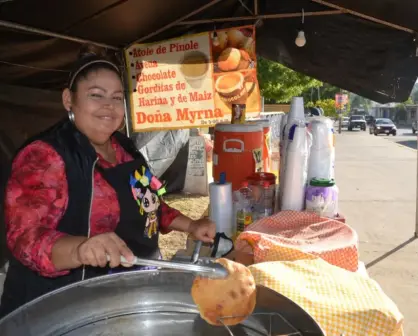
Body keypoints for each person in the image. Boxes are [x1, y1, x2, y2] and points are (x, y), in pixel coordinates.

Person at [0, 45, 216, 318]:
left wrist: (192, 225)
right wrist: (80, 249)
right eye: (96, 95)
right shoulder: (45, 155)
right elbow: (24, 238)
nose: (109, 106)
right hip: (59, 308)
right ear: (69, 100)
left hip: (123, 297)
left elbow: (150, 205)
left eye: (116, 98)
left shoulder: (124, 148)